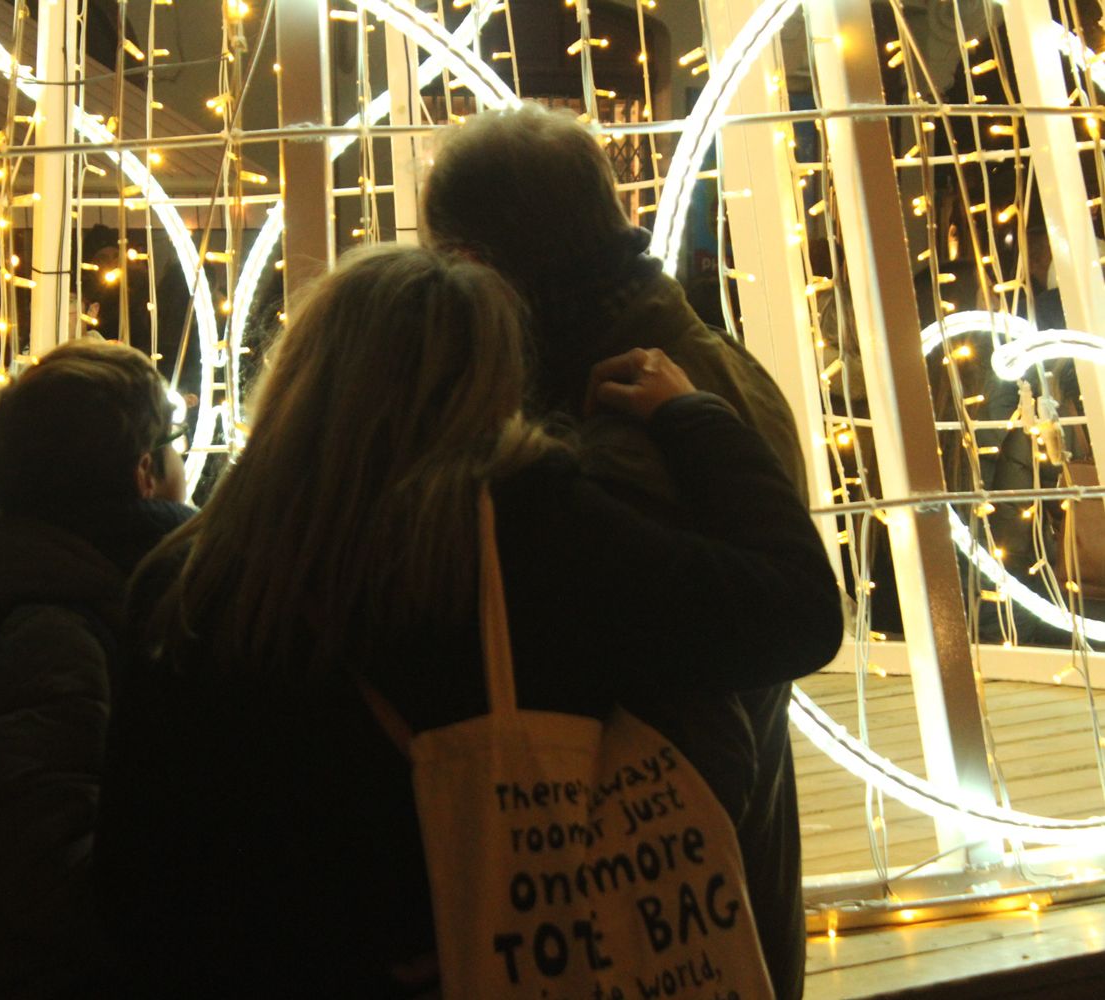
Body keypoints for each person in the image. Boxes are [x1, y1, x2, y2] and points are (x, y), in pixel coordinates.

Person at [95, 246, 843, 995]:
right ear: (492, 379)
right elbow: (795, 611)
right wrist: (694, 416)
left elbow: (139, 881)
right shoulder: (522, 528)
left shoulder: (188, 576)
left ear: (300, 376)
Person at [421, 104, 821, 998]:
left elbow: (670, 682)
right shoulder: (690, 367)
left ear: (475, 264)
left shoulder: (612, 429)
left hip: (664, 920)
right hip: (737, 890)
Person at [0, 339, 192, 998]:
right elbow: (47, 868)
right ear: (145, 473)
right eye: (174, 444)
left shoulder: (18, 578)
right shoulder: (57, 632)